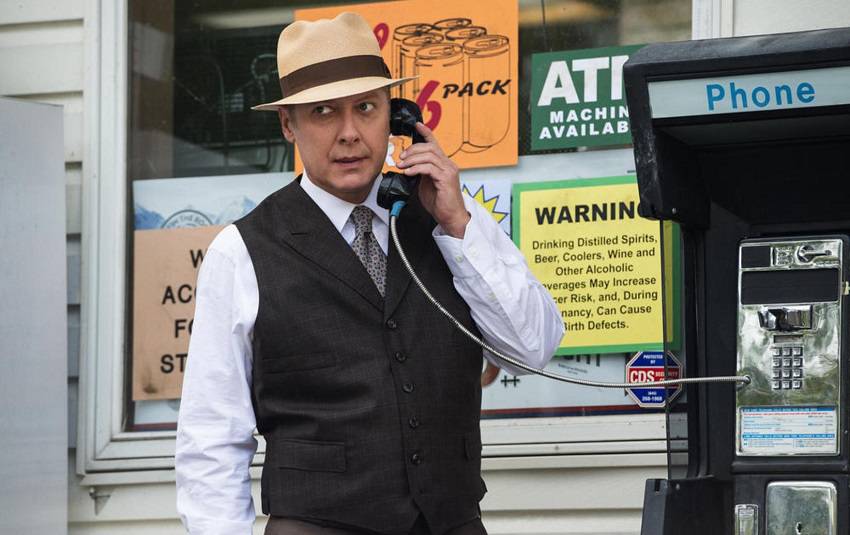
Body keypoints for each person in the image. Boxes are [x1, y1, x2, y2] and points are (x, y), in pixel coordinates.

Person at [175, 11, 564, 535]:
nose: (350, 134)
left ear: (397, 117)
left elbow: (531, 349)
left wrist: (457, 227)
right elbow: (212, 434)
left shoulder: (451, 218)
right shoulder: (242, 251)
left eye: (365, 108)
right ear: (288, 125)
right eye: (323, 112)